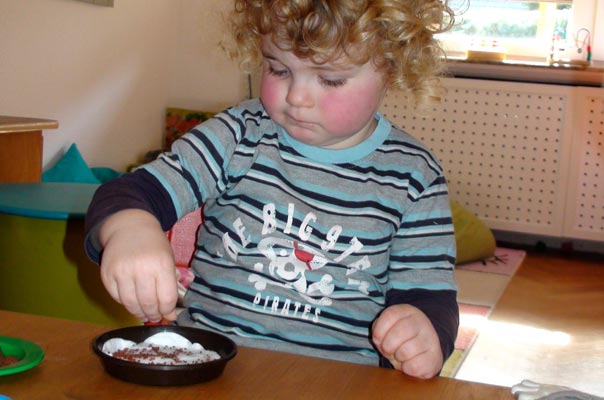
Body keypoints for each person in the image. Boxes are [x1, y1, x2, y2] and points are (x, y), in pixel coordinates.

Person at [85, 0, 458, 379]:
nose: (297, 97)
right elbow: (132, 192)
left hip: (340, 383)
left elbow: (430, 296)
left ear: (392, 67)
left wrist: (425, 334)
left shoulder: (415, 176)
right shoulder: (238, 134)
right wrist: (130, 228)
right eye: (278, 69)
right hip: (211, 373)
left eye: (330, 79)